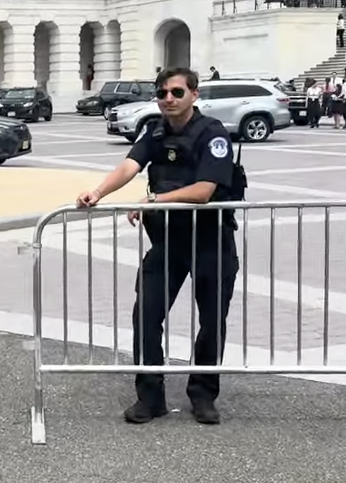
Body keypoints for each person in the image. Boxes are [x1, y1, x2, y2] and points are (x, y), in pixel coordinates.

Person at [75, 68, 240, 425]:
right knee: (147, 315)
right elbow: (130, 165)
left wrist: (154, 200)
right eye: (162, 92)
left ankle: (203, 395)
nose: (168, 98)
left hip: (211, 240)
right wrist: (98, 192)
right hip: (168, 242)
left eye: (176, 92)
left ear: (194, 95)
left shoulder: (212, 134)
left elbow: (204, 191)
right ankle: (150, 398)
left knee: (211, 321)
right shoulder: (155, 130)